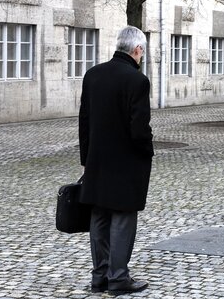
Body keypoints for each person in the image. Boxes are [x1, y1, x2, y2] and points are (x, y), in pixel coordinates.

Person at [78, 26, 154, 295]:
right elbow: (139, 129)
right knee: (122, 218)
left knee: (98, 217)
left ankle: (99, 277)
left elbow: (84, 121)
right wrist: (147, 151)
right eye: (142, 51)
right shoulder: (137, 81)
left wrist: (86, 158)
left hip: (97, 160)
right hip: (126, 162)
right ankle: (119, 278)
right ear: (137, 50)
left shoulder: (93, 75)